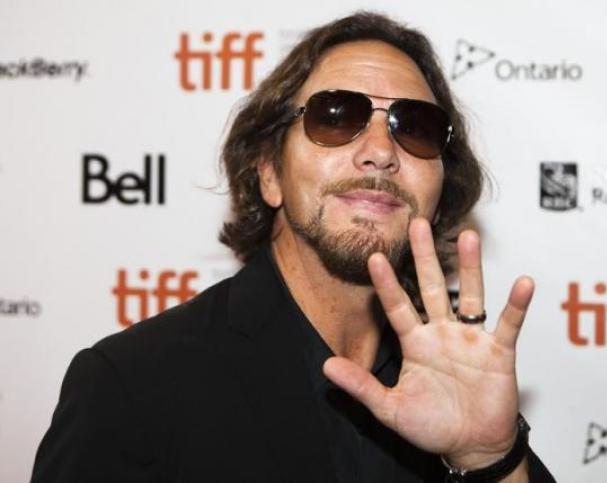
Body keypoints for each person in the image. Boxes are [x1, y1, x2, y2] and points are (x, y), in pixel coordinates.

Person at [32, 12, 556, 483]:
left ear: (439, 194)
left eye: (414, 129)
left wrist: (490, 458)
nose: (379, 152)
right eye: (335, 116)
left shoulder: (459, 388)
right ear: (268, 173)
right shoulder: (132, 386)